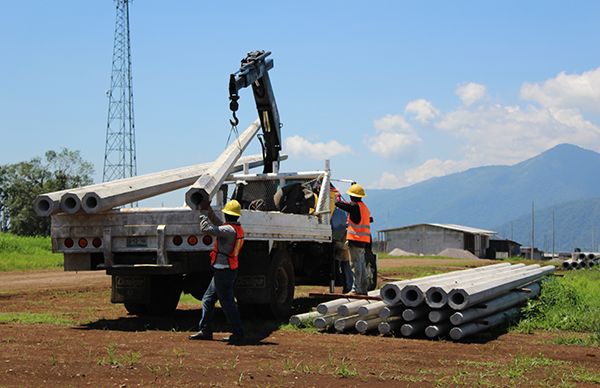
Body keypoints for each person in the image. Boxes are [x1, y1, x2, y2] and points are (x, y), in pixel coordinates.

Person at [189, 199, 245, 344]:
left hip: (223, 271)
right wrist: (208, 210)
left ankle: (238, 333)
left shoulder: (228, 230)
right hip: (226, 269)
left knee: (227, 303)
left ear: (226, 214)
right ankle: (205, 330)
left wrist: (202, 216)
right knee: (208, 299)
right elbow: (219, 223)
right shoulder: (234, 229)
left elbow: (207, 229)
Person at [334, 183, 373, 295]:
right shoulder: (364, 207)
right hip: (363, 241)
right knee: (361, 265)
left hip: (355, 240)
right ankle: (363, 289)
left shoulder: (355, 207)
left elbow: (338, 203)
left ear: (351, 196)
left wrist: (336, 196)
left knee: (355, 266)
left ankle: (356, 290)